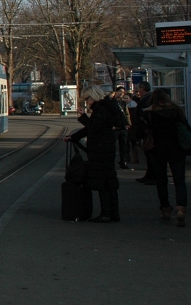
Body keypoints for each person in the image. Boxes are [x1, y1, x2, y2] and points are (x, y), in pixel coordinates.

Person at [66, 85, 125, 222]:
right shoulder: (107, 107)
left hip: (100, 150)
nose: (87, 102)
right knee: (109, 180)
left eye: (87, 99)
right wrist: (74, 137)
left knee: (102, 182)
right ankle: (113, 212)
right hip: (106, 149)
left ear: (93, 97)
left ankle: (106, 213)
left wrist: (83, 117)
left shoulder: (101, 110)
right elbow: (93, 127)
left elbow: (93, 128)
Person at [143, 89, 188, 227]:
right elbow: (186, 127)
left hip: (157, 150)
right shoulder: (177, 110)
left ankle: (165, 208)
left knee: (161, 180)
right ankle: (181, 208)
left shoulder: (149, 113)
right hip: (177, 149)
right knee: (179, 180)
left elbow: (140, 131)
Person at [132, 82, 159, 185]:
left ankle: (153, 176)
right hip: (146, 131)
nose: (138, 90)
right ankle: (149, 175)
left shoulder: (147, 99)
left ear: (142, 88)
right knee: (148, 154)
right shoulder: (147, 98)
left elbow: (143, 115)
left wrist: (140, 129)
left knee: (150, 154)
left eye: (139, 88)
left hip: (147, 131)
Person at [111, 85, 132, 170]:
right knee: (112, 146)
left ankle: (123, 161)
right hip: (115, 127)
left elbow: (127, 114)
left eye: (123, 92)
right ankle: (111, 162)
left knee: (123, 146)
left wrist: (128, 123)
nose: (121, 93)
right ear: (116, 92)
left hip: (123, 127)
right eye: (120, 91)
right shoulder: (112, 102)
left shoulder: (123, 103)